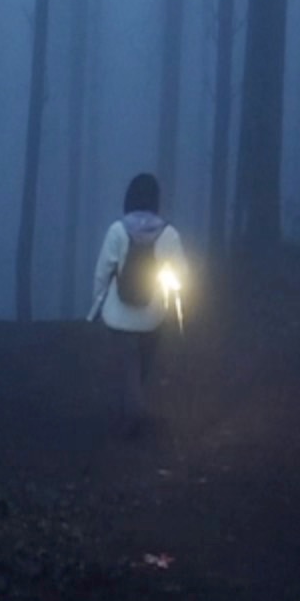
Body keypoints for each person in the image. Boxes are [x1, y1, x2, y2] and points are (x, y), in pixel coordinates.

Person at [88, 173, 186, 434]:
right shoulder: (169, 234)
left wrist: (97, 300)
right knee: (140, 368)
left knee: (127, 367)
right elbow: (181, 275)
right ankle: (132, 412)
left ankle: (131, 416)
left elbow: (102, 271)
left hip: (118, 315)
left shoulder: (117, 230)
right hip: (153, 315)